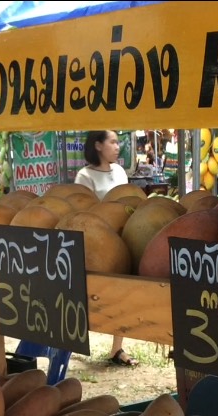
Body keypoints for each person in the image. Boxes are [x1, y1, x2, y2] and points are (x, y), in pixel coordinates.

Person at [75, 130, 137, 367]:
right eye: (112, 142)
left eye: (118, 142)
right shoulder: (85, 176)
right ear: (98, 145)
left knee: (122, 292)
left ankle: (117, 348)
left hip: (123, 236)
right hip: (97, 242)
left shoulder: (120, 171)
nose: (117, 146)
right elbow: (82, 210)